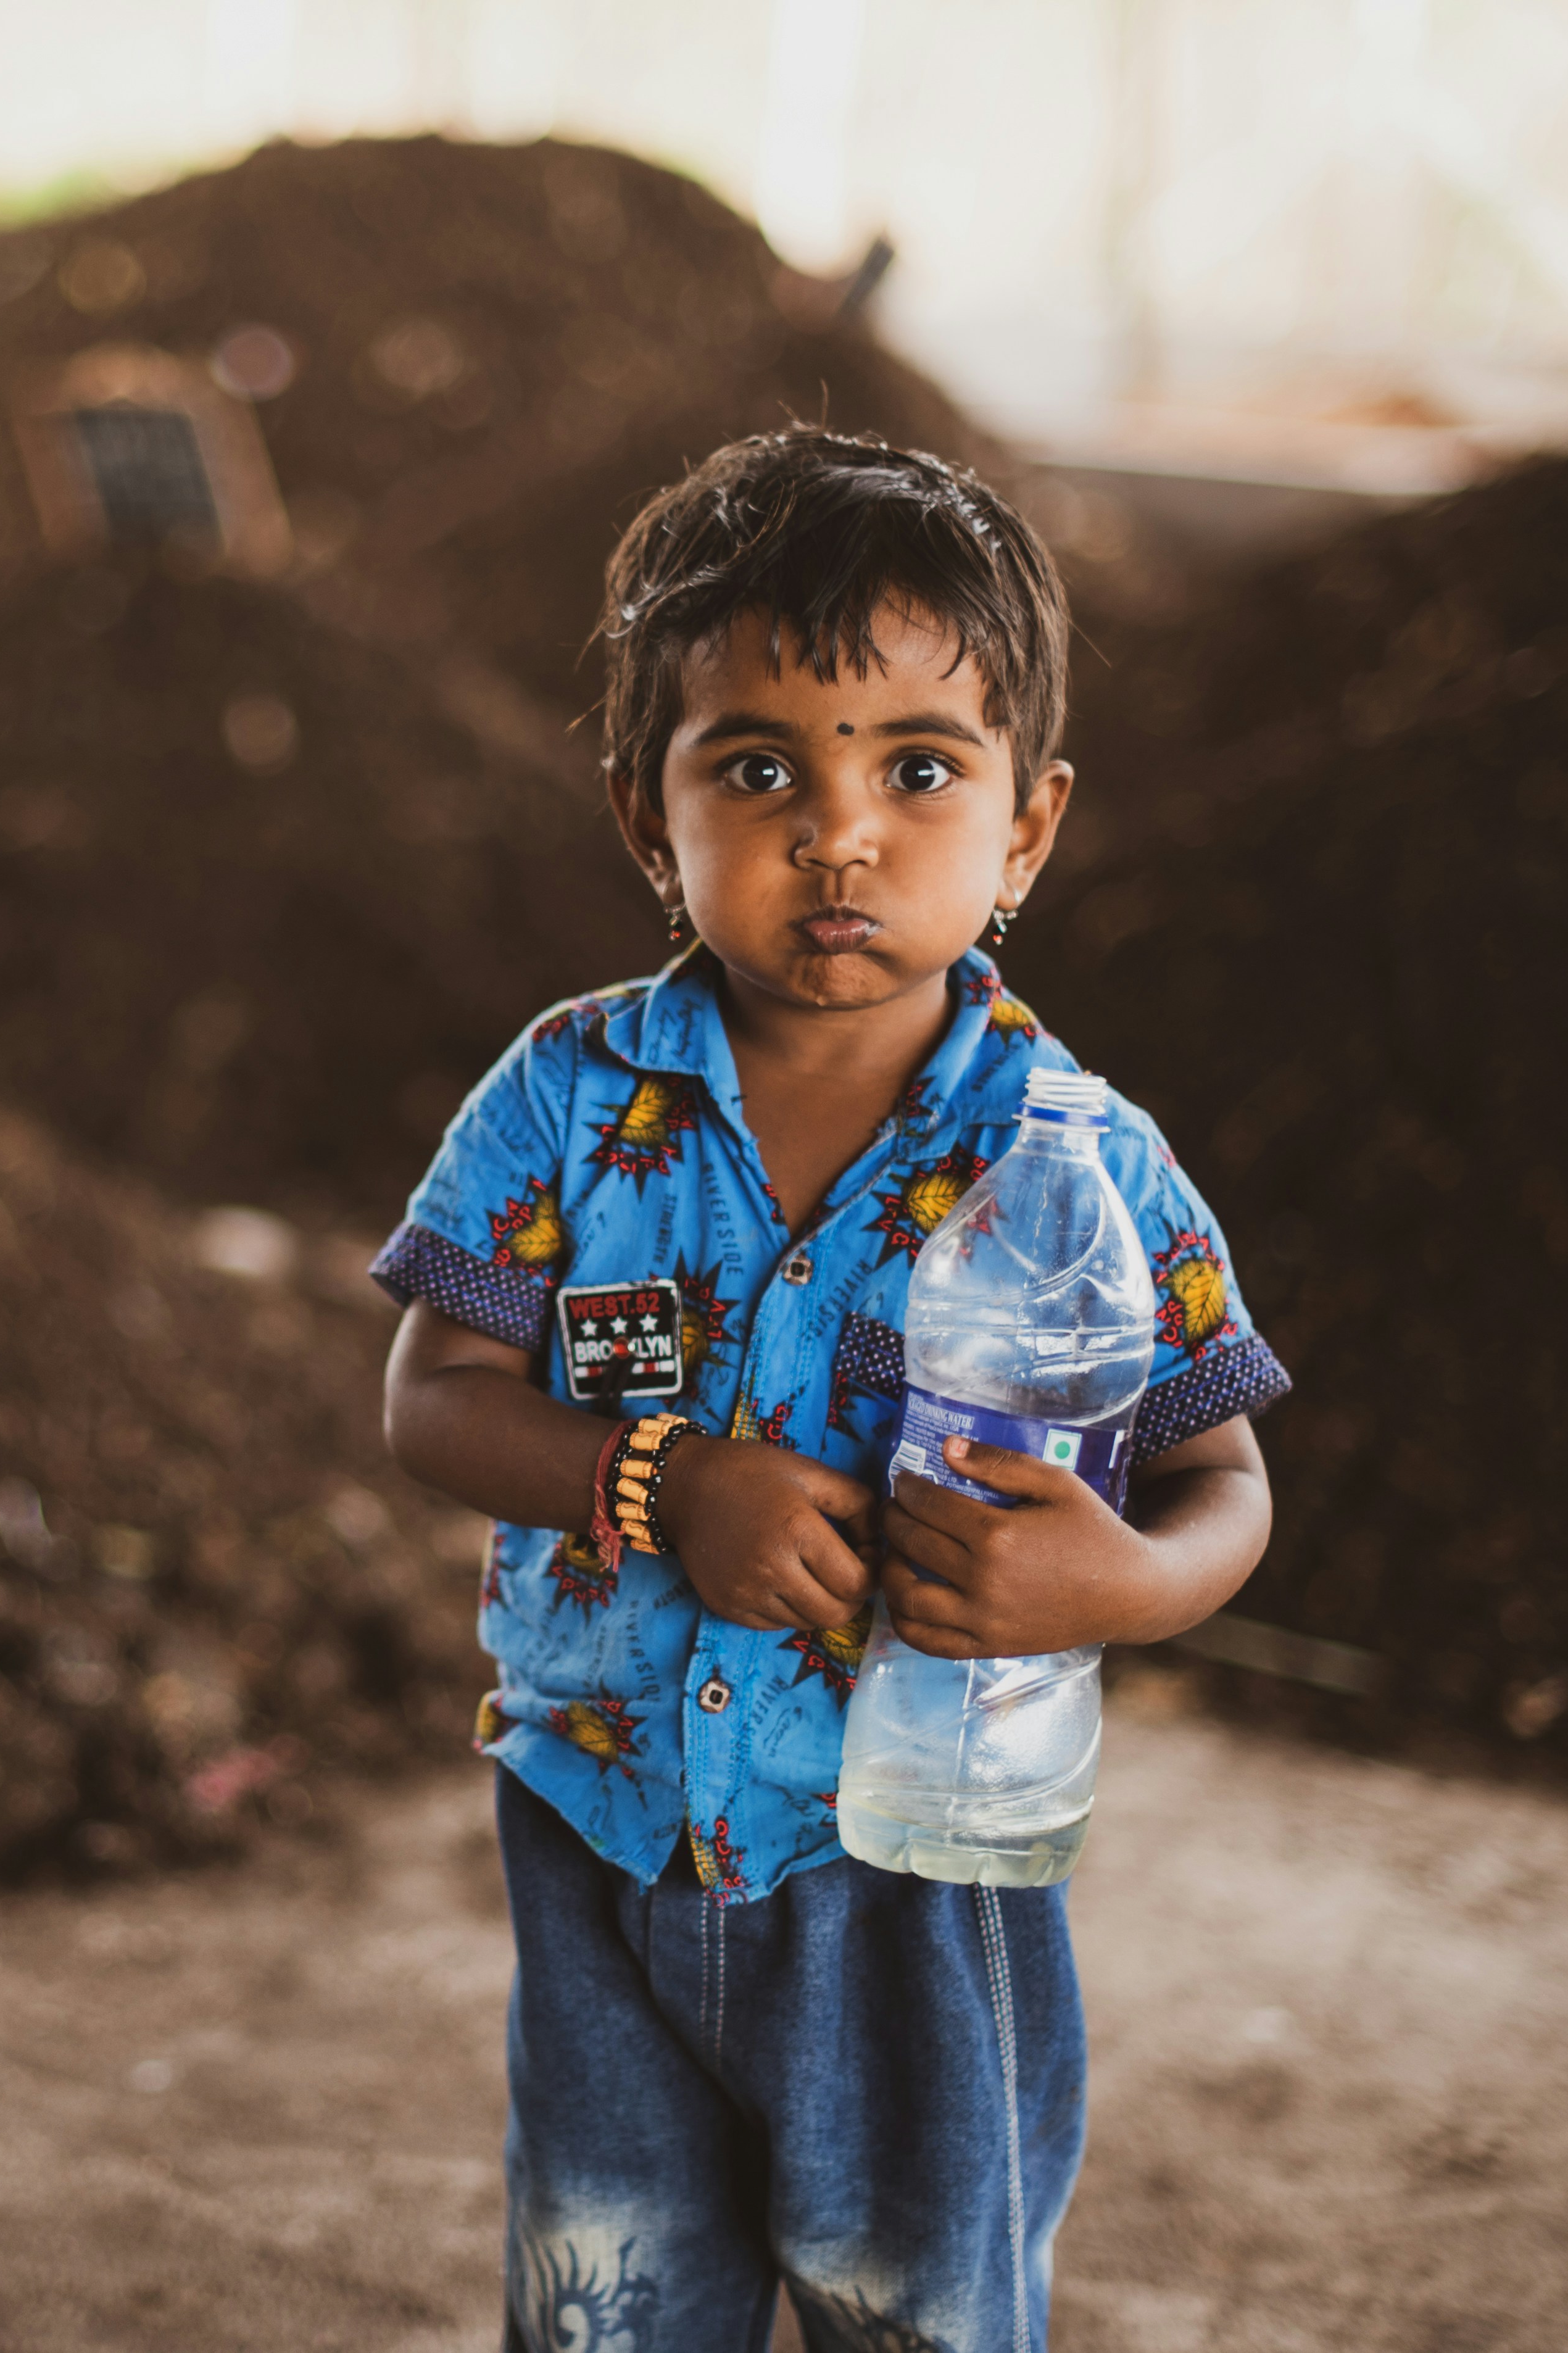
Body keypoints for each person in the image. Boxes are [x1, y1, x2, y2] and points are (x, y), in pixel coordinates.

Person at [373, 428, 1287, 2351]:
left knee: (916, 2306)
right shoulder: (559, 1098)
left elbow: (1222, 1475)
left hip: (911, 1870)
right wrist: (655, 1480)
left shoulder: (1076, 1157)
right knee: (609, 2298)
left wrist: (1113, 1584)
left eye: (917, 768)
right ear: (649, 815)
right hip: (602, 1833)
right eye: (758, 766)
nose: (838, 831)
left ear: (1025, 827)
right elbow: (434, 1394)